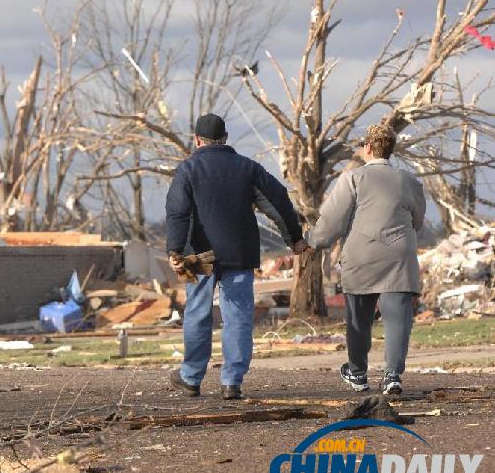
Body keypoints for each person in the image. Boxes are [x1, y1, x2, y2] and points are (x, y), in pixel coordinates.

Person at [166, 113, 307, 399]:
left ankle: (191, 377)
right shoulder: (248, 168)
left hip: (198, 255)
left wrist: (176, 249)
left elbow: (178, 211)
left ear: (196, 139)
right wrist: (294, 237)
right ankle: (232, 381)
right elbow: (278, 200)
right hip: (239, 251)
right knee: (238, 315)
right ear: (226, 138)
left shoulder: (187, 170)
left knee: (196, 313)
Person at [304, 123, 425, 395]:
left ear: (368, 148)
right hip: (398, 257)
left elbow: (332, 222)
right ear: (390, 150)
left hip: (361, 256)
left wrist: (312, 240)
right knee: (397, 319)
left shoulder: (352, 179)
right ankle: (392, 375)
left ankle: (358, 372)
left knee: (359, 318)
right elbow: (417, 221)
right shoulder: (410, 181)